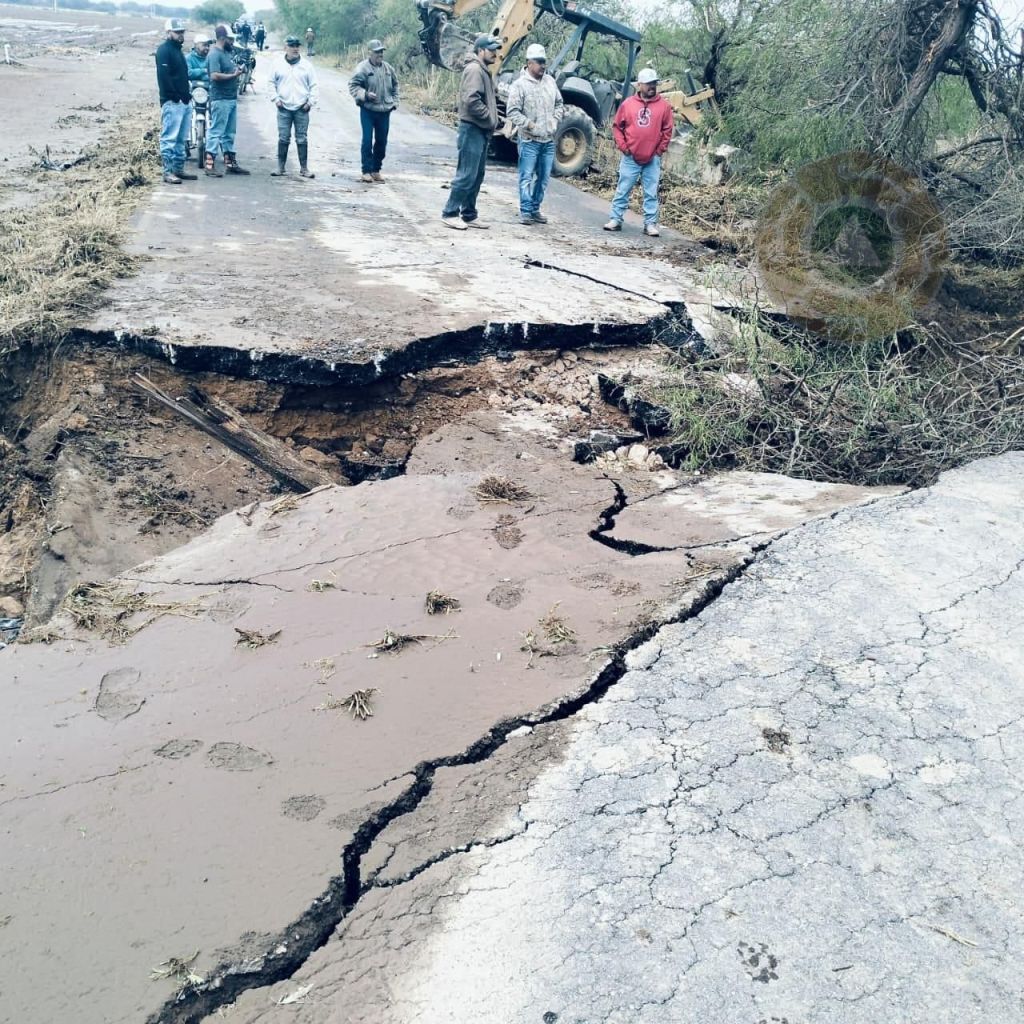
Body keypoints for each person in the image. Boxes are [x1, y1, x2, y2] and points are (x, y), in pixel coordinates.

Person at [603, 68, 673, 237]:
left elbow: (667, 130)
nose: (652, 86)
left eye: (654, 83)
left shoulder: (664, 106)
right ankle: (616, 219)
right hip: (630, 157)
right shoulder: (628, 104)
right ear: (640, 85)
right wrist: (624, 147)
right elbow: (617, 127)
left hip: (652, 159)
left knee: (650, 192)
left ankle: (650, 223)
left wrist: (658, 151)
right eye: (648, 83)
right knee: (623, 188)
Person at [441, 35, 500, 230]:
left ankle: (469, 214)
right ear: (480, 50)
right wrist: (489, 118)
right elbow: (471, 100)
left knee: (477, 174)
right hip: (472, 128)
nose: (495, 53)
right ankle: (450, 213)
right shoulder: (475, 69)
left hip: (480, 129)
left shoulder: (483, 70)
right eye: (491, 50)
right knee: (466, 174)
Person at [505, 42, 563, 226]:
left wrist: (555, 120)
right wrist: (529, 124)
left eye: (544, 61)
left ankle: (535, 208)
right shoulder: (519, 85)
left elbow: (559, 104)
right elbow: (512, 111)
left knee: (544, 178)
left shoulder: (550, 82)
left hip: (548, 140)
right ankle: (526, 211)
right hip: (529, 140)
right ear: (529, 63)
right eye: (538, 62)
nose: (542, 65)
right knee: (526, 177)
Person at [348, 39, 399, 184]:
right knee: (367, 140)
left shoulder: (388, 68)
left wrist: (395, 102)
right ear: (370, 52)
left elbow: (396, 85)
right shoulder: (362, 68)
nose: (380, 54)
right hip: (368, 110)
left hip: (385, 111)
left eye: (381, 51)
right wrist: (364, 95)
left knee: (382, 142)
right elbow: (353, 85)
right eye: (377, 52)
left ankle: (376, 170)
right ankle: (366, 171)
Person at [270, 35, 319, 178]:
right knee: (283, 138)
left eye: (297, 46)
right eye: (292, 46)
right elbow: (271, 82)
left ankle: (304, 169)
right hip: (283, 107)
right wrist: (276, 99)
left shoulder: (307, 66)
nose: (295, 48)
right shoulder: (277, 64)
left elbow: (314, 85)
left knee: (302, 138)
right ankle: (280, 167)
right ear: (285, 48)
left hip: (301, 108)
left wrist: (310, 102)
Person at [205, 25, 250, 177]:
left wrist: (236, 70)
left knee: (229, 132)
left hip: (230, 97)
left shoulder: (225, 53)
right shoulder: (214, 54)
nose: (232, 42)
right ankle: (209, 165)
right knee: (216, 130)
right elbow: (214, 75)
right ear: (223, 38)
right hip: (220, 98)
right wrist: (234, 75)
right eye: (230, 39)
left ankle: (230, 163)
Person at [155, 19, 196, 184]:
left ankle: (178, 169)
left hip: (184, 101)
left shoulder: (178, 51)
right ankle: (167, 171)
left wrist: (186, 96)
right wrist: (175, 96)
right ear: (168, 33)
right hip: (172, 101)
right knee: (169, 138)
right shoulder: (164, 51)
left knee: (181, 138)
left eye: (182, 32)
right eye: (177, 32)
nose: (180, 35)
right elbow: (163, 78)